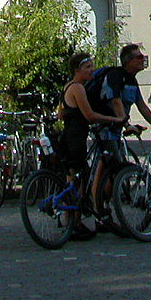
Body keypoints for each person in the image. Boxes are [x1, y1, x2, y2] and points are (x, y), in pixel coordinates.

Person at [59, 51, 124, 239]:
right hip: (75, 139)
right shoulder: (78, 88)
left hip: (68, 136)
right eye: (88, 67)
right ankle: (75, 223)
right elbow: (89, 115)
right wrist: (114, 118)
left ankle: (69, 220)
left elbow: (61, 114)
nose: (92, 70)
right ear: (77, 70)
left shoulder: (68, 87)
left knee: (74, 178)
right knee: (80, 178)